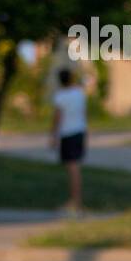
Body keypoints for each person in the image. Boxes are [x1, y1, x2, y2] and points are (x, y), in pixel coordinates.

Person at [51, 68, 87, 215]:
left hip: (68, 133)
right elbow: (84, 113)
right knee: (74, 167)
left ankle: (75, 202)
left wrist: (54, 135)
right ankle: (75, 200)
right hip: (80, 131)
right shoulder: (79, 94)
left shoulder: (60, 97)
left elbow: (57, 117)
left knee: (73, 169)